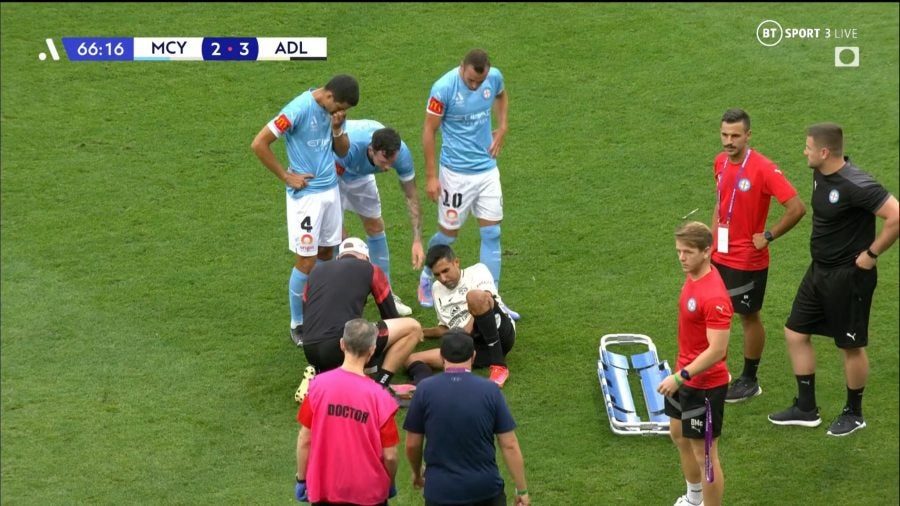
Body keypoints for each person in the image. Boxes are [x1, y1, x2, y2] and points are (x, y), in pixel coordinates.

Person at [768, 123, 898, 437]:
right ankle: (806, 408)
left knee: (850, 346)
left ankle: (854, 413)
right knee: (795, 331)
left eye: (808, 147)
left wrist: (872, 252)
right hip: (819, 271)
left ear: (824, 152)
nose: (804, 152)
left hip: (848, 277)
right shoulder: (821, 173)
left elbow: (896, 215)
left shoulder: (857, 184)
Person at [251, 74, 359, 345]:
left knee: (327, 253)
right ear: (330, 96)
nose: (340, 112)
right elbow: (259, 143)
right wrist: (286, 176)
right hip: (306, 197)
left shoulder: (333, 114)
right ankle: (297, 323)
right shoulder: (297, 109)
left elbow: (343, 152)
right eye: (340, 107)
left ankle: (321, 310)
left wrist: (338, 128)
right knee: (306, 260)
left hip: (330, 192)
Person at [711, 108, 807, 403]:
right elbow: (720, 203)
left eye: (735, 136)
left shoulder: (764, 168)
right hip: (720, 253)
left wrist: (768, 235)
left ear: (748, 135)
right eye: (725, 134)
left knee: (748, 316)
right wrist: (710, 242)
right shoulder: (720, 162)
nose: (729, 141)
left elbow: (797, 207)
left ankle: (750, 380)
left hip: (747, 260)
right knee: (715, 311)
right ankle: (715, 370)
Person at [416, 48, 519, 321]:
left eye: (479, 81)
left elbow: (501, 94)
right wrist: (430, 175)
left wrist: (503, 125)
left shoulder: (493, 78)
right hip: (455, 174)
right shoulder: (443, 89)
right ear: (462, 67)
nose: (474, 85)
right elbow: (429, 130)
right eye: (470, 80)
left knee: (492, 234)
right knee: (448, 235)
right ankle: (428, 275)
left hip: (487, 170)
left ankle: (493, 300)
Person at [403, 329, 530, 506]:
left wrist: (417, 473)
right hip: (485, 490)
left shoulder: (425, 390)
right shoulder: (490, 391)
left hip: (441, 492)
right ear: (474, 355)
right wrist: (521, 489)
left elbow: (412, 444)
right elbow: (509, 444)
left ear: (441, 356)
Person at [296, 237, 423, 404]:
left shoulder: (315, 273)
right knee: (412, 328)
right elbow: (390, 315)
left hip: (310, 349)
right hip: (340, 345)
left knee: (358, 333)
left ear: (339, 257)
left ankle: (322, 375)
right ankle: (380, 385)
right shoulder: (371, 269)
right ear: (365, 257)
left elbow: (308, 314)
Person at [658, 221, 732, 506]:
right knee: (677, 434)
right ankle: (693, 499)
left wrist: (680, 377)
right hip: (684, 375)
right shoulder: (693, 275)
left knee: (707, 456)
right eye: (679, 251)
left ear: (707, 251)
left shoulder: (714, 297)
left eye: (688, 252)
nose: (681, 258)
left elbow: (717, 350)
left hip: (703, 385)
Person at [295, 319, 399, 505]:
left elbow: (305, 439)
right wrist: (389, 482)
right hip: (369, 492)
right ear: (372, 350)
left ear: (342, 344)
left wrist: (301, 480)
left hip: (325, 490)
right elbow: (390, 455)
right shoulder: (380, 397)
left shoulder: (317, 386)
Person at [335, 119, 425, 317]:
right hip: (332, 173)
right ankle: (341, 297)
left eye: (391, 163)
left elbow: (412, 196)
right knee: (335, 235)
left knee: (375, 226)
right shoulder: (349, 148)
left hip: (360, 176)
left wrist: (417, 239)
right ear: (371, 149)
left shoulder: (401, 155)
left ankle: (386, 293)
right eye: (384, 162)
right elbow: (329, 183)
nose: (387, 168)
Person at [405, 244, 515, 387]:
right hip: (472, 348)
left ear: (456, 262)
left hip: (500, 334)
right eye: (437, 275)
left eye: (445, 270)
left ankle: (499, 366)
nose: (443, 278)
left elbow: (485, 300)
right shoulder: (436, 289)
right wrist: (421, 331)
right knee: (410, 358)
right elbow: (445, 328)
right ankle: (421, 383)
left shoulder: (477, 271)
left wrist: (462, 335)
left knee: (474, 297)